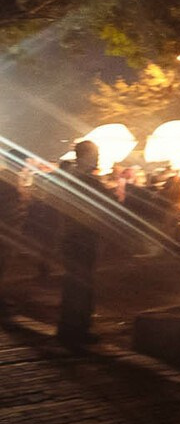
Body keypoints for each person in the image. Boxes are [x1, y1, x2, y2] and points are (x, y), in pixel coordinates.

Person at [57, 140, 112, 345]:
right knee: (82, 283)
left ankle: (68, 328)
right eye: (95, 154)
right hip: (83, 238)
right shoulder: (88, 181)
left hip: (71, 237)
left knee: (74, 282)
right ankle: (77, 329)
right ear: (85, 156)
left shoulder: (69, 177)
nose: (98, 158)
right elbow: (108, 204)